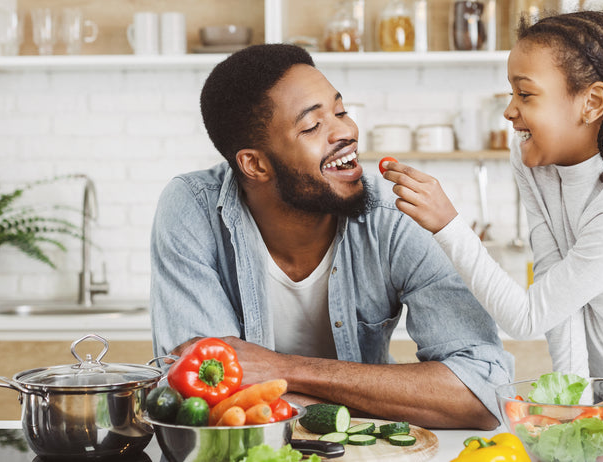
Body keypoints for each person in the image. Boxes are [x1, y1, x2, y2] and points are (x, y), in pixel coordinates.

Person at [381, 11, 603, 422]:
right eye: (511, 93)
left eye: (526, 95)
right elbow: (556, 290)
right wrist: (576, 403)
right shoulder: (534, 160)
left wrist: (448, 225)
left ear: (591, 103)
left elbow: (527, 317)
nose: (510, 111)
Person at [149, 44, 514, 429]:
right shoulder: (192, 208)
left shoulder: (397, 216)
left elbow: (484, 395)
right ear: (255, 164)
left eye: (340, 111)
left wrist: (282, 370)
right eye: (312, 126)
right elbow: (202, 399)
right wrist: (391, 399)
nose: (346, 131)